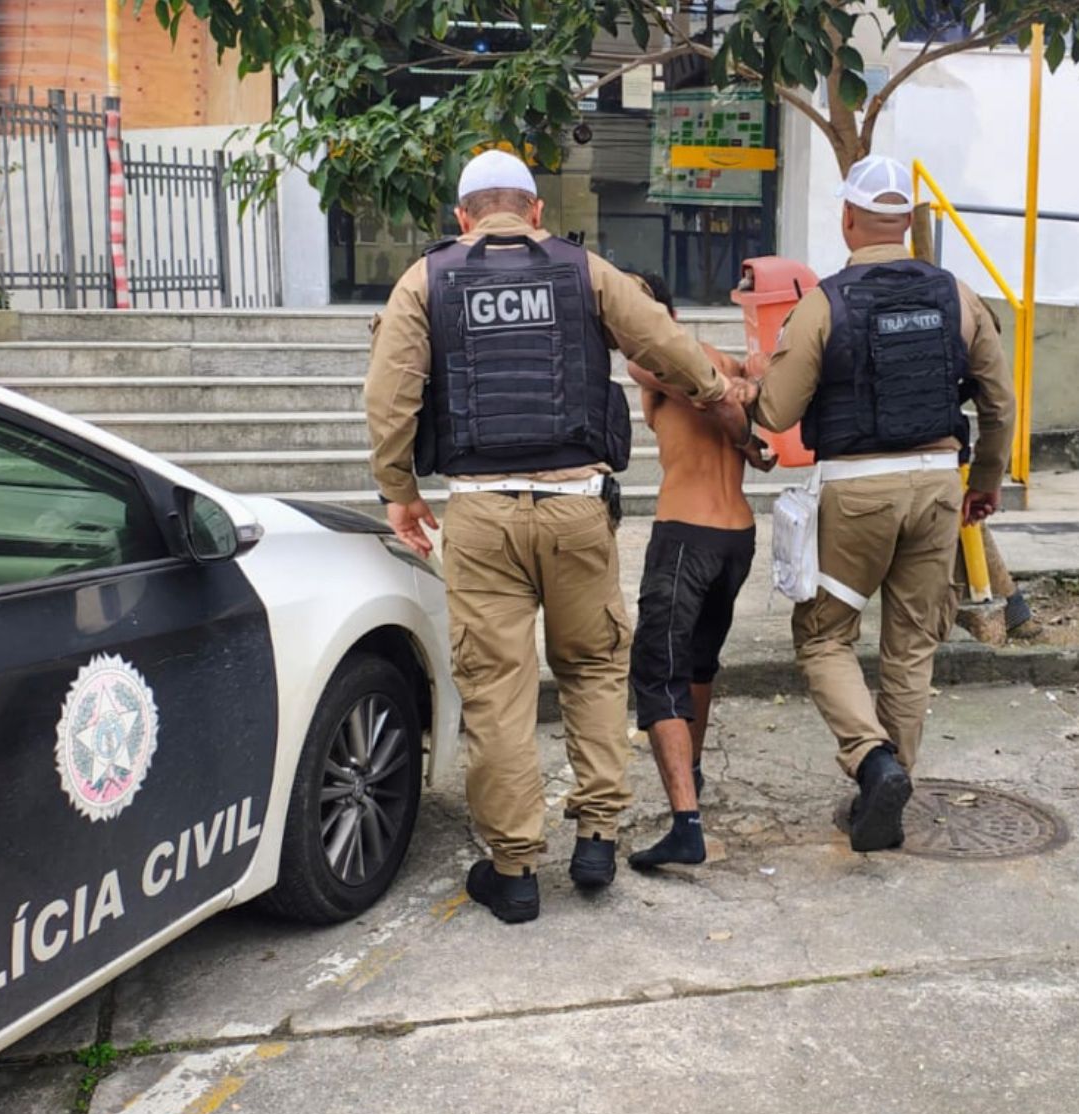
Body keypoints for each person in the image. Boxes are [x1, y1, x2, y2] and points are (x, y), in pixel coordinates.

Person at [364, 148, 751, 923]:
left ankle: (514, 872)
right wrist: (720, 392)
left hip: (481, 515)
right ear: (535, 211)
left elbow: (389, 395)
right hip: (577, 507)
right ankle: (597, 837)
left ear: (463, 218)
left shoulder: (426, 280)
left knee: (498, 689)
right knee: (594, 668)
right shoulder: (585, 270)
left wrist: (399, 493)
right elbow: (663, 343)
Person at [744, 155, 1016, 853]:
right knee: (913, 640)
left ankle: (873, 761)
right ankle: (890, 788)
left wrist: (758, 372)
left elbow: (775, 411)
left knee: (825, 635)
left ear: (847, 219)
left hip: (857, 493)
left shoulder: (824, 303)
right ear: (909, 222)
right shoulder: (958, 296)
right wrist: (985, 480)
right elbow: (999, 401)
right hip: (938, 485)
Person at [623, 273, 774, 870]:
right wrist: (747, 397)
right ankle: (695, 770)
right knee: (699, 664)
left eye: (636, 304)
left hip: (687, 536)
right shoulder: (719, 360)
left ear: (666, 314)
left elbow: (701, 387)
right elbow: (739, 387)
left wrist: (740, 404)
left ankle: (686, 825)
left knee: (657, 671)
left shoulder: (652, 359)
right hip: (737, 538)